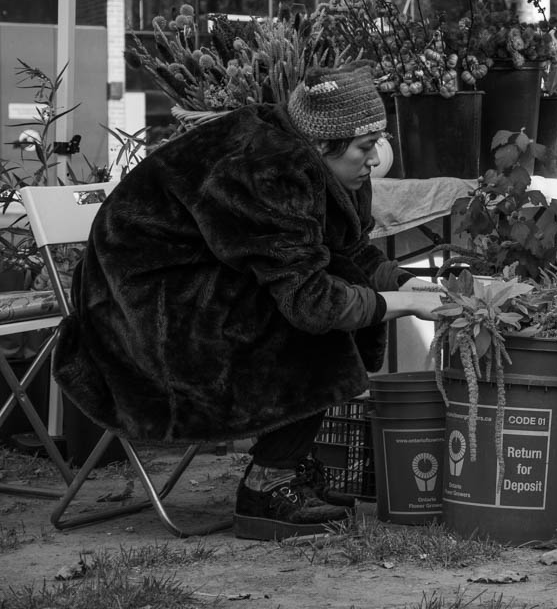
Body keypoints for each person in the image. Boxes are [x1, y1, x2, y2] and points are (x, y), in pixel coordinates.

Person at [53, 62, 445, 540]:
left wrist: (404, 283)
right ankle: (267, 485)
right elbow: (312, 303)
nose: (373, 160)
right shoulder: (269, 168)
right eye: (365, 149)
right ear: (324, 144)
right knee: (308, 318)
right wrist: (398, 305)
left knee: (339, 292)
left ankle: (285, 465)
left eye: (377, 146)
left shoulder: (313, 157)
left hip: (193, 286)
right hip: (138, 314)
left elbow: (345, 251)